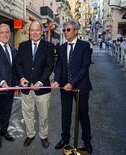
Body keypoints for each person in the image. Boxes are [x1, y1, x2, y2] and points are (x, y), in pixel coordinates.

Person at [51, 20, 93, 153]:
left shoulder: (85, 46)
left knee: (83, 115)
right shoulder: (62, 47)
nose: (65, 32)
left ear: (75, 31)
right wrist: (57, 80)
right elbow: (58, 67)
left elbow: (84, 67)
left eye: (67, 29)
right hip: (65, 87)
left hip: (80, 87)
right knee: (66, 114)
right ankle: (65, 139)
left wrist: (72, 83)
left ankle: (87, 141)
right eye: (64, 30)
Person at [16, 21, 54, 148]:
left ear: (41, 31)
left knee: (43, 114)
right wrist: (21, 78)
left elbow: (49, 66)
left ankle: (43, 136)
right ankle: (30, 134)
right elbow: (18, 64)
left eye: (37, 30)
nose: (35, 32)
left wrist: (40, 82)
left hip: (42, 88)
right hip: (26, 88)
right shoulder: (22, 46)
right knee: (27, 113)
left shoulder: (48, 46)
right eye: (32, 30)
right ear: (29, 32)